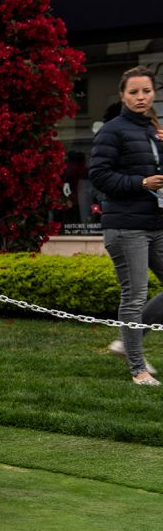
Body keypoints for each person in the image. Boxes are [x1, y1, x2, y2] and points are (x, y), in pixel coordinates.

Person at [89, 66, 163, 386]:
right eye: (133, 92)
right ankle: (138, 370)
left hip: (156, 223)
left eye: (145, 91)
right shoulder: (112, 130)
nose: (140, 97)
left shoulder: (154, 129)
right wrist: (141, 182)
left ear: (154, 93)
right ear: (122, 95)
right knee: (134, 297)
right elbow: (99, 176)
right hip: (126, 226)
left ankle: (125, 341)